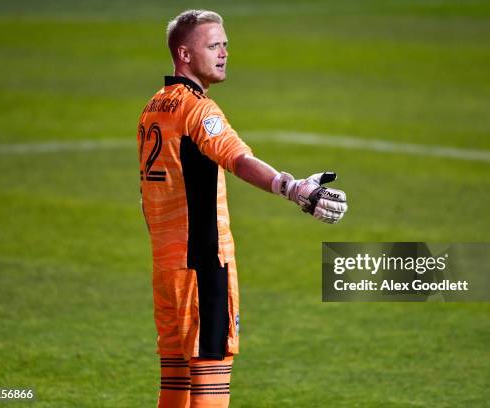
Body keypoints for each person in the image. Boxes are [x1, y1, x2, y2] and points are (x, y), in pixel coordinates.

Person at [136, 9, 348, 408]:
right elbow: (238, 159)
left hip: (167, 268)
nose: (224, 53)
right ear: (184, 54)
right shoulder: (198, 110)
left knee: (175, 388)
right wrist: (293, 187)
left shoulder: (154, 107)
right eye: (213, 45)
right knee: (211, 387)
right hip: (202, 266)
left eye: (225, 44)